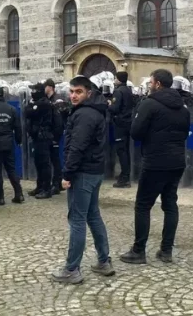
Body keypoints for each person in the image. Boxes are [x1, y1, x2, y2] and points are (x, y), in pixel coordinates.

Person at [121, 69, 189, 264]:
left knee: (143, 205)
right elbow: (184, 133)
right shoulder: (182, 107)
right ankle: (166, 250)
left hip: (155, 161)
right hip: (176, 161)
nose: (149, 85)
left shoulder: (149, 104)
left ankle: (138, 250)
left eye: (151, 82)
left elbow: (135, 132)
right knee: (170, 204)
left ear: (158, 84)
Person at [52, 76, 114, 284]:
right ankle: (104, 261)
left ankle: (72, 269)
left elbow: (77, 147)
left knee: (77, 219)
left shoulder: (85, 114)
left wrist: (67, 174)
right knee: (93, 215)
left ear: (88, 92)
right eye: (71, 91)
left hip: (83, 173)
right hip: (94, 171)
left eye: (78, 91)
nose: (73, 95)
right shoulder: (94, 110)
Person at [0, 86, 25, 204]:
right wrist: (18, 140)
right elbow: (18, 127)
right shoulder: (11, 109)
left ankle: (0, 197)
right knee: (11, 169)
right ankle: (18, 194)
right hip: (9, 142)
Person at [26, 83, 60, 199]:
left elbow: (28, 112)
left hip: (44, 137)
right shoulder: (39, 102)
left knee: (45, 164)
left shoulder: (44, 103)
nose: (32, 93)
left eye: (34, 90)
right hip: (38, 137)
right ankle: (39, 187)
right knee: (38, 163)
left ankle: (46, 189)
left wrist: (31, 106)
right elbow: (27, 111)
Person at [108, 71, 135, 188]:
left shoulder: (118, 91)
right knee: (125, 150)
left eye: (115, 78)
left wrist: (108, 104)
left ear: (118, 79)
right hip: (128, 122)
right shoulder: (128, 90)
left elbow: (115, 108)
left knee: (121, 151)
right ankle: (126, 174)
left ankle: (124, 178)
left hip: (120, 123)